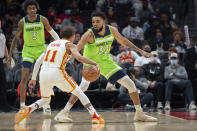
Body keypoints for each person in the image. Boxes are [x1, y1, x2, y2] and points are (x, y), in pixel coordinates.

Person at [56, 11, 158, 122]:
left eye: (98, 21)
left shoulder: (111, 30)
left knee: (130, 84)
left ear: (104, 22)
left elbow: (123, 41)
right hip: (91, 65)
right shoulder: (89, 34)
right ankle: (64, 112)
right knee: (83, 87)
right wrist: (62, 60)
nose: (95, 24)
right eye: (93, 22)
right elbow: (77, 48)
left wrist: (141, 51)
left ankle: (139, 114)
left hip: (106, 63)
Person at [14, 26, 104, 124]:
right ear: (73, 36)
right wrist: (94, 63)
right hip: (56, 72)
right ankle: (95, 115)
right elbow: (79, 57)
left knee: (45, 99)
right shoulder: (70, 45)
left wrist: (34, 78)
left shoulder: (51, 44)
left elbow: (38, 61)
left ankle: (28, 108)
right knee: (79, 92)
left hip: (43, 73)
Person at [7, 0, 60, 109]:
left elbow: (52, 32)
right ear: (26, 10)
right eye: (30, 8)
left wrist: (61, 43)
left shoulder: (42, 19)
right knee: (24, 77)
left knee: (45, 77)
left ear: (36, 9)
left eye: (34, 8)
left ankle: (47, 104)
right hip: (28, 51)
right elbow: (16, 38)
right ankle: (22, 106)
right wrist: (9, 55)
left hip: (41, 49)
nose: (32, 10)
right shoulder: (22, 22)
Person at [0, 19, 12, 112]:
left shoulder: (2, 33)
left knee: (3, 84)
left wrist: (8, 59)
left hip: (1, 61)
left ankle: (4, 105)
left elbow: (4, 47)